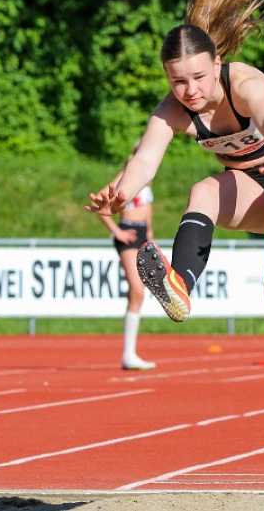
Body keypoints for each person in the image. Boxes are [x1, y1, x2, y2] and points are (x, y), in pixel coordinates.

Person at [85, 0, 264, 322]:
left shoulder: (243, 82)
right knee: (202, 191)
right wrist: (123, 193)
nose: (189, 91)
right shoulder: (171, 109)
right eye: (178, 82)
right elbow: (145, 160)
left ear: (217, 63)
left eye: (199, 78)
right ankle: (180, 287)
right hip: (253, 192)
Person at [97, 142, 157, 370]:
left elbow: (148, 207)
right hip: (128, 232)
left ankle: (130, 354)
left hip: (142, 234)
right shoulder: (124, 176)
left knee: (138, 294)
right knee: (138, 291)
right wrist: (116, 230)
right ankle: (128, 354)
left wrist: (150, 233)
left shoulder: (146, 178)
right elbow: (102, 200)